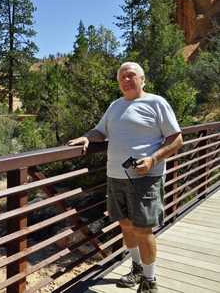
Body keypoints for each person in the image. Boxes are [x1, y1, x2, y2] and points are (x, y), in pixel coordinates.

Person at [67, 62, 183, 293]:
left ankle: (150, 281)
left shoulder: (156, 102)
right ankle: (137, 268)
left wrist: (152, 159)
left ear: (142, 79)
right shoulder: (115, 105)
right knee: (126, 225)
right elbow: (101, 132)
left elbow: (176, 139)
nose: (126, 80)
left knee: (143, 229)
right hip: (116, 176)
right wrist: (87, 137)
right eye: (122, 77)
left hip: (145, 177)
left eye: (131, 76)